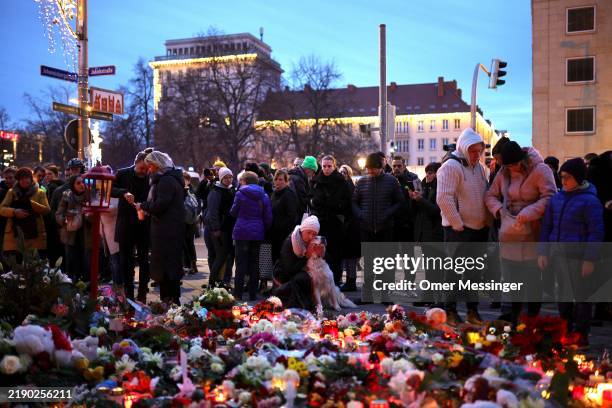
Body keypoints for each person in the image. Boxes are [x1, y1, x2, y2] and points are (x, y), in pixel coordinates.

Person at [485, 142, 557, 324]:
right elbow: (490, 195)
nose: (509, 169)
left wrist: (528, 213)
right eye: (506, 166)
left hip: (533, 232)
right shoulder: (504, 172)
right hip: (509, 234)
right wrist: (499, 211)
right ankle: (515, 319)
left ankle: (531, 320)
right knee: (512, 279)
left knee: (533, 280)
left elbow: (550, 197)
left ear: (522, 161)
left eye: (512, 165)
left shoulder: (541, 170)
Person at [538, 157, 604, 346]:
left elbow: (596, 232)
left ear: (578, 178)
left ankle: (581, 333)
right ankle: (565, 329)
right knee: (563, 296)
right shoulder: (557, 199)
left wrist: (590, 259)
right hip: (559, 255)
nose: (563, 181)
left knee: (582, 296)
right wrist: (543, 252)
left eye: (567, 177)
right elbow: (547, 226)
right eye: (561, 177)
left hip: (579, 257)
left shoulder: (590, 201)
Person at [436, 128, 489, 325]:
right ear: (464, 148)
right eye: (473, 151)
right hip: (458, 230)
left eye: (479, 151)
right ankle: (449, 310)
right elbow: (444, 197)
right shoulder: (451, 166)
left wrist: (486, 221)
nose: (477, 155)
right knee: (454, 272)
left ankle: (472, 311)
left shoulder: (479, 168)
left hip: (478, 229)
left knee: (473, 273)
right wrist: (457, 223)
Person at [136, 150, 185, 305]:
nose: (149, 170)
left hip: (166, 231)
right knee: (170, 265)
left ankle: (168, 300)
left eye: (150, 166)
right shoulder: (173, 179)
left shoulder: (165, 181)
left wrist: (143, 206)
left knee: (166, 267)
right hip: (171, 229)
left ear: (157, 165)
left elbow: (160, 205)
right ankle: (171, 299)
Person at [111, 149, 151, 302]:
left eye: (146, 169)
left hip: (143, 224)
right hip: (126, 223)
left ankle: (142, 293)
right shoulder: (122, 174)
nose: (144, 171)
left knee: (144, 260)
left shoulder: (150, 176)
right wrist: (123, 193)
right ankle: (128, 294)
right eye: (142, 168)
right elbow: (110, 190)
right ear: (135, 164)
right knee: (126, 261)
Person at [310, 155, 352, 285]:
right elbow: (311, 198)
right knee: (321, 253)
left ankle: (336, 280)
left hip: (335, 222)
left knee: (335, 253)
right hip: (321, 221)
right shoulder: (316, 181)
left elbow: (346, 201)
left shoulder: (341, 181)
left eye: (329, 166)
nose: (326, 169)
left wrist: (337, 207)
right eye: (324, 166)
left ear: (334, 166)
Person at [230, 171, 272, 300]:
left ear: (245, 181)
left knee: (241, 263)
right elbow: (268, 217)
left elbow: (233, 212)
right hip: (257, 233)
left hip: (241, 232)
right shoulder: (264, 195)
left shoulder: (240, 194)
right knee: (254, 263)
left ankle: (238, 294)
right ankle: (253, 294)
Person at [411, 162, 444, 306]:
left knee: (435, 267)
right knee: (427, 266)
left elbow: (436, 210)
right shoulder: (424, 186)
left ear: (438, 173)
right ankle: (428, 295)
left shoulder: (440, 187)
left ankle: (435, 297)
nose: (428, 175)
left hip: (435, 232)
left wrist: (421, 200)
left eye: (431, 172)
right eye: (427, 172)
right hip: (424, 231)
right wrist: (414, 199)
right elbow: (419, 211)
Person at [353, 152, 403, 242]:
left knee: (383, 255)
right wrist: (360, 214)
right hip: (366, 229)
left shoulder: (392, 181)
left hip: (385, 228)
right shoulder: (361, 182)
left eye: (373, 168)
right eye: (368, 168)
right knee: (369, 255)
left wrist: (388, 212)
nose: (370, 171)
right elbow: (354, 202)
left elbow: (400, 201)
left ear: (381, 167)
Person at [272, 215, 320, 311]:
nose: (311, 236)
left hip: (296, 271)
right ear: (302, 230)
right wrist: (306, 256)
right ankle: (301, 303)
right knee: (304, 277)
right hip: (284, 276)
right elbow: (289, 269)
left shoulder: (312, 242)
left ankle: (313, 302)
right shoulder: (291, 242)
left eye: (314, 234)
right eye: (309, 232)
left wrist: (320, 252)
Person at [0, 167, 51, 257]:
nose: (23, 181)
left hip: (35, 235)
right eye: (21, 179)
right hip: (14, 235)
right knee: (16, 266)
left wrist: (32, 204)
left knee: (34, 264)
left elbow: (47, 210)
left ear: (31, 178)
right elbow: (2, 209)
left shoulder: (40, 192)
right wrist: (14, 212)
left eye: (26, 178)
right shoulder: (12, 192)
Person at [56, 175, 91, 282]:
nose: (82, 185)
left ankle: (86, 289)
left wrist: (88, 215)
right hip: (70, 235)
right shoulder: (67, 196)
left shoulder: (90, 196)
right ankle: (73, 288)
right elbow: (58, 214)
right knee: (72, 263)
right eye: (78, 183)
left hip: (87, 235)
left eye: (83, 182)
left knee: (87, 264)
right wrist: (65, 220)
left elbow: (96, 217)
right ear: (72, 185)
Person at [205, 167, 236, 286]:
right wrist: (216, 228)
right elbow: (213, 212)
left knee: (226, 256)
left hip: (228, 228)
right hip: (220, 230)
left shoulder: (231, 189)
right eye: (226, 177)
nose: (228, 180)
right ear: (221, 178)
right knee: (220, 256)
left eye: (230, 177)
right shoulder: (216, 191)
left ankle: (221, 281)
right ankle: (212, 282)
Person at [339, 164, 360, 292]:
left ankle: (351, 281)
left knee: (350, 255)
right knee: (347, 255)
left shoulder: (349, 187)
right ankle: (349, 280)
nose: (342, 174)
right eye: (340, 172)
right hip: (347, 224)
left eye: (345, 172)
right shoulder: (344, 186)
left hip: (351, 225)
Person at [270, 169, 298, 263]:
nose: (278, 181)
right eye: (276, 179)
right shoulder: (274, 194)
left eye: (281, 179)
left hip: (284, 233)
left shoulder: (289, 194)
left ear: (286, 181)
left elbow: (292, 215)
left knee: (282, 259)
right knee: (274, 258)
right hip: (273, 232)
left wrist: (280, 227)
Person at [391, 155, 420, 242]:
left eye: (399, 166)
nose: (396, 168)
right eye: (394, 166)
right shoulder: (388, 179)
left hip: (409, 221)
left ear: (404, 166)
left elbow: (421, 196)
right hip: (392, 220)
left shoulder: (414, 178)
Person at [182, 171, 199, 275]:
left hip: (190, 222)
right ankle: (187, 265)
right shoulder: (184, 191)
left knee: (189, 244)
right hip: (184, 221)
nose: (184, 181)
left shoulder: (191, 191)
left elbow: (196, 205)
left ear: (188, 181)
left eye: (186, 179)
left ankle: (193, 265)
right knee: (184, 244)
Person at [0, 167, 16, 264]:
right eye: (6, 178)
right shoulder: (2, 190)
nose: (8, 180)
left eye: (11, 178)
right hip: (3, 226)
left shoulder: (19, 190)